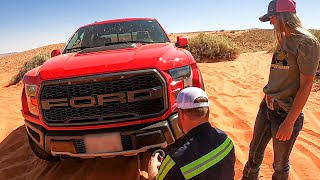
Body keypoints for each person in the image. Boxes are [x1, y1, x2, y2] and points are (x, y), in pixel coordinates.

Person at [242, 0, 320, 179]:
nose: (271, 23)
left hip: (285, 113)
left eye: (272, 18)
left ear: (282, 16)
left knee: (280, 163)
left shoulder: (306, 42)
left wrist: (289, 122)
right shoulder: (284, 39)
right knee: (254, 152)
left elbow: (306, 85)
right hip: (266, 107)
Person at [148, 87, 235, 180]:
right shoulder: (226, 140)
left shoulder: (175, 160)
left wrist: (152, 171)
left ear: (181, 114)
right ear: (208, 111)